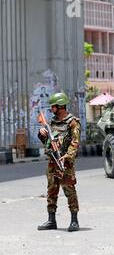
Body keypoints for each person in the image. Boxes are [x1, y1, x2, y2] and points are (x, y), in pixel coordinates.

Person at [37, 92, 81, 232]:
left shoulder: (72, 122)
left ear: (60, 106)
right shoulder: (51, 123)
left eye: (53, 106)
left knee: (70, 191)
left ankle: (74, 221)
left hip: (65, 163)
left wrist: (67, 156)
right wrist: (42, 134)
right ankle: (51, 220)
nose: (51, 108)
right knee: (51, 191)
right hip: (52, 162)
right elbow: (48, 142)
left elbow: (75, 142)